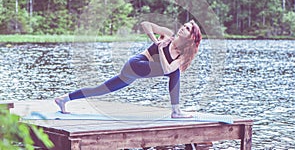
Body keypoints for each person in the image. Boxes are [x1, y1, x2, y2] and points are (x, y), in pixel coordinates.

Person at [55, 20, 202, 118]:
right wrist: (156, 41)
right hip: (136, 64)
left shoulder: (182, 55)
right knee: (173, 72)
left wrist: (161, 50)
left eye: (188, 28)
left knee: (100, 89)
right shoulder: (168, 35)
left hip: (133, 75)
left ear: (191, 37)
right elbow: (146, 24)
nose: (183, 27)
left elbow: (167, 68)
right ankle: (176, 111)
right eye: (185, 25)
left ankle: (64, 99)